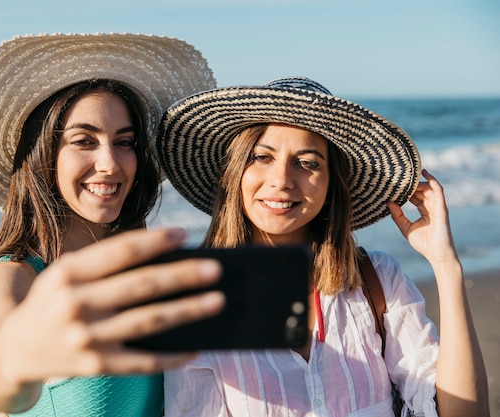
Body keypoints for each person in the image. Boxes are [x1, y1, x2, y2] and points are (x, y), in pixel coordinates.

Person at [155, 76, 489, 416]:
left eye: (309, 162)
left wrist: (446, 265)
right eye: (262, 157)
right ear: (234, 172)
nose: (282, 179)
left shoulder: (379, 280)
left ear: (332, 184)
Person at [0, 33, 222, 416]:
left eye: (124, 142)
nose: (110, 163)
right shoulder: (13, 279)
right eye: (84, 141)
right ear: (44, 154)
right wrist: (15, 359)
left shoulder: (143, 275)